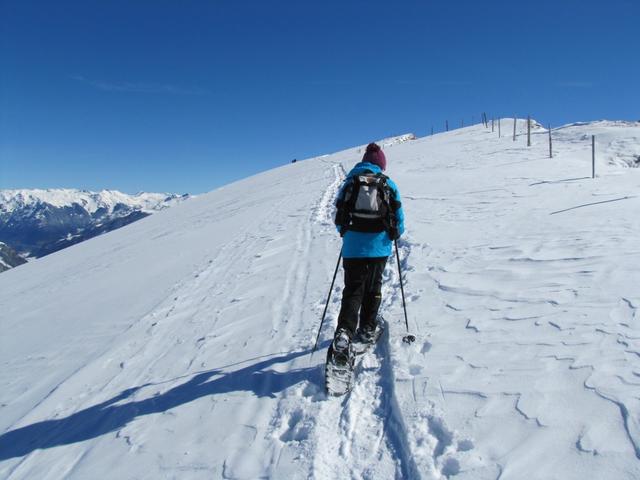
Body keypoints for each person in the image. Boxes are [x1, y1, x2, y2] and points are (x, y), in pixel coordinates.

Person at [331, 142, 405, 364]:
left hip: (353, 248)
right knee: (373, 289)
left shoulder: (349, 183)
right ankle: (367, 329)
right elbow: (399, 219)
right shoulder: (388, 184)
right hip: (379, 248)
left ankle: (344, 332)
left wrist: (346, 233)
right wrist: (393, 234)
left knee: (353, 290)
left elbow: (338, 216)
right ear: (381, 164)